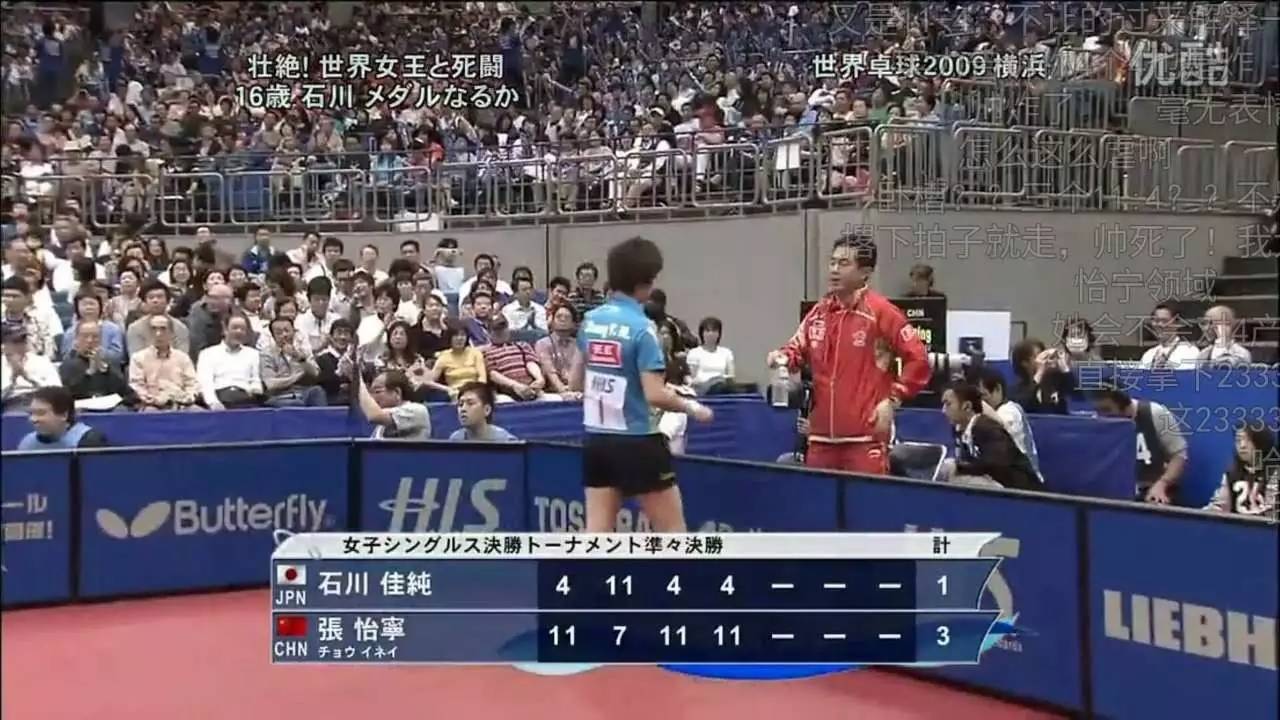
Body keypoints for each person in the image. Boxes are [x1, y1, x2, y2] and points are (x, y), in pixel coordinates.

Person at [573, 237, 714, 533]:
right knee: (673, 536)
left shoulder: (589, 321)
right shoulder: (643, 329)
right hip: (638, 441)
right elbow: (655, 395)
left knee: (597, 535)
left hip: (597, 440)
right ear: (644, 283)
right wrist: (692, 407)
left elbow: (575, 380)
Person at [767, 233, 930, 474]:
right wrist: (781, 357)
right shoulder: (818, 313)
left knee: (866, 499)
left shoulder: (881, 312)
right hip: (820, 440)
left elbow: (919, 359)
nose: (834, 269)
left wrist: (892, 400)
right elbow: (796, 349)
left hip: (865, 440)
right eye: (832, 262)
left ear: (865, 272)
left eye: (843, 263)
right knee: (818, 499)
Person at [1092, 386, 1188, 504]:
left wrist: (1162, 484)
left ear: (1126, 407)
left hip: (1151, 487)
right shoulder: (1098, 421)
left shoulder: (1157, 414)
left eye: (1107, 410)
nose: (1101, 416)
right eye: (1098, 410)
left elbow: (1179, 456)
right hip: (1114, 489)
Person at [940, 382, 1042, 491]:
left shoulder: (987, 427)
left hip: (1020, 490)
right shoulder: (961, 430)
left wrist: (960, 467)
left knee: (959, 480)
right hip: (999, 485)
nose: (943, 410)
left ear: (967, 406)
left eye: (948, 404)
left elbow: (997, 464)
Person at [1204, 421, 1277, 518]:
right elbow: (1220, 507)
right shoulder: (1232, 474)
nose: (1242, 445)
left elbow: (1273, 512)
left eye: (1248, 440)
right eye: (1238, 440)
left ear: (1261, 443)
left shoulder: (1274, 472)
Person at [15, 386, 109, 451]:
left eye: (41, 413)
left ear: (63, 415)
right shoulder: (27, 443)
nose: (33, 419)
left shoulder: (90, 441)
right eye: (31, 413)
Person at [358, 366, 431, 440]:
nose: (372, 398)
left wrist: (357, 379)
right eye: (371, 393)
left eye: (377, 391)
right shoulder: (384, 420)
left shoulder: (417, 410)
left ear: (397, 392)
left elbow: (374, 416)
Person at [431, 319, 488, 398]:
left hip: (476, 391)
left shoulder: (475, 353)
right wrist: (447, 389)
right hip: (456, 392)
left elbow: (482, 378)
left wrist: (476, 391)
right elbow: (430, 381)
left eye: (462, 335)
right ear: (450, 337)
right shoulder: (444, 356)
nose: (459, 338)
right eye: (456, 336)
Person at [449, 381, 518, 442]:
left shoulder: (507, 441)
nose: (463, 409)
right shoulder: (455, 439)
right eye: (460, 404)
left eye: (470, 403)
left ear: (487, 410)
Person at [686, 316, 736, 394]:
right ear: (702, 334)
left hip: (722, 387)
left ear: (719, 334)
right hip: (702, 389)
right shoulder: (694, 352)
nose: (711, 334)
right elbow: (690, 377)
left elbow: (731, 376)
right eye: (707, 331)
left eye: (714, 331)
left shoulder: (726, 352)